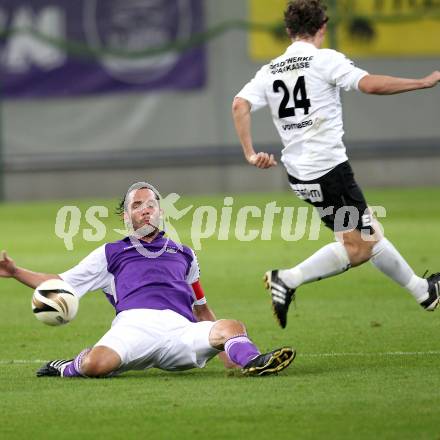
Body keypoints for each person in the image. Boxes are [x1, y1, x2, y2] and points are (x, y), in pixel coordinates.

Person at [232, 0, 440, 328]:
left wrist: (249, 152)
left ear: (288, 31)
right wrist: (422, 83)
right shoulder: (324, 59)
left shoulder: (270, 69)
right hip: (329, 171)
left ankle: (423, 292)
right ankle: (286, 278)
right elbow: (370, 84)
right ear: (323, 27)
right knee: (359, 248)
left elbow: (239, 105)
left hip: (301, 176)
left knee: (368, 234)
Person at [0, 182, 295, 377]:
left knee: (232, 326)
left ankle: (255, 362)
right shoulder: (111, 253)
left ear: (160, 212)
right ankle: (68, 367)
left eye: (151, 204)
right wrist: (15, 272)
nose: (145, 209)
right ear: (126, 218)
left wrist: (228, 354)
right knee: (96, 365)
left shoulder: (185, 254)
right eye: (137, 205)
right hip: (133, 328)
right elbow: (58, 283)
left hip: (180, 331)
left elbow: (201, 308)